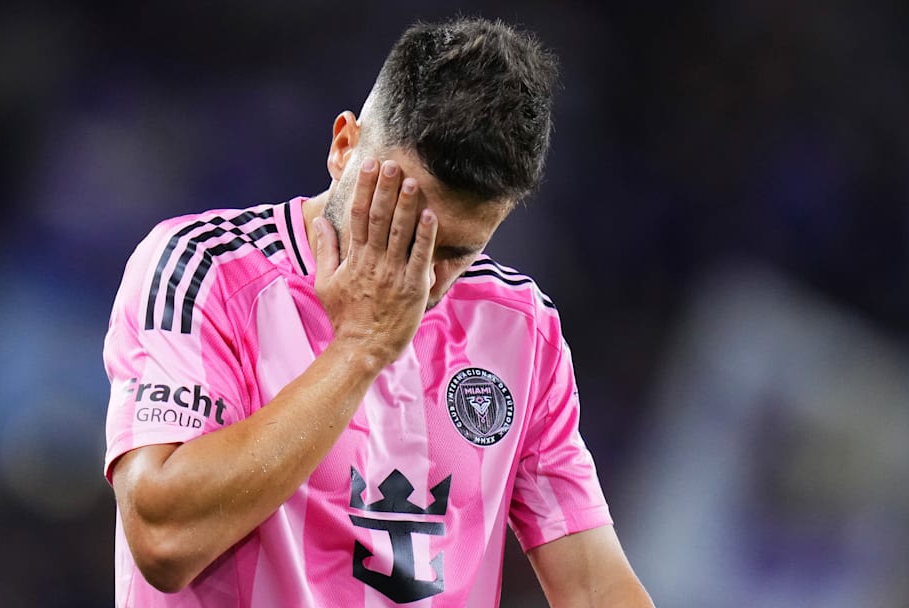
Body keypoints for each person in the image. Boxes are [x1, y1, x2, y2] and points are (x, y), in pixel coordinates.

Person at [103, 17, 654, 607]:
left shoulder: (520, 326)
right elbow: (163, 540)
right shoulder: (205, 272)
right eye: (398, 221)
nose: (421, 276)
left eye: (455, 252)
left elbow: (596, 587)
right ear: (344, 146)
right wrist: (362, 346)